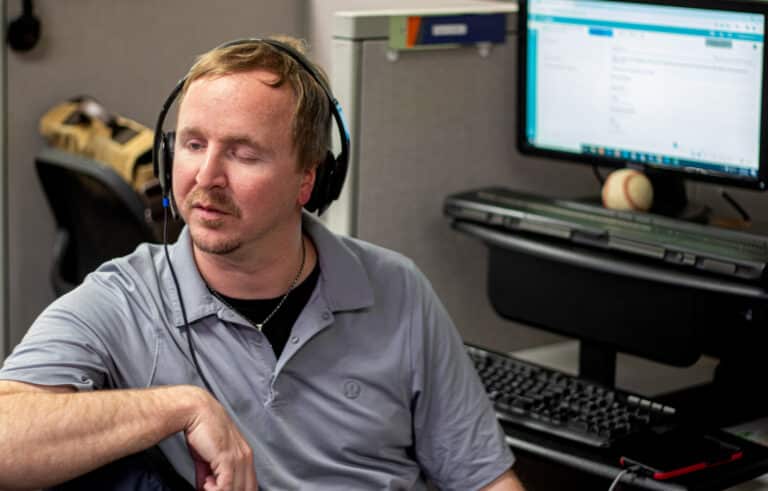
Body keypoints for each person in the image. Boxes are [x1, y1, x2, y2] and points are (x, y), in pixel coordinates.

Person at [0, 36, 525, 491]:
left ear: (308, 181)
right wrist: (181, 407)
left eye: (244, 154)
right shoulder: (126, 297)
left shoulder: (395, 289)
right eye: (193, 144)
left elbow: (480, 477)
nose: (206, 176)